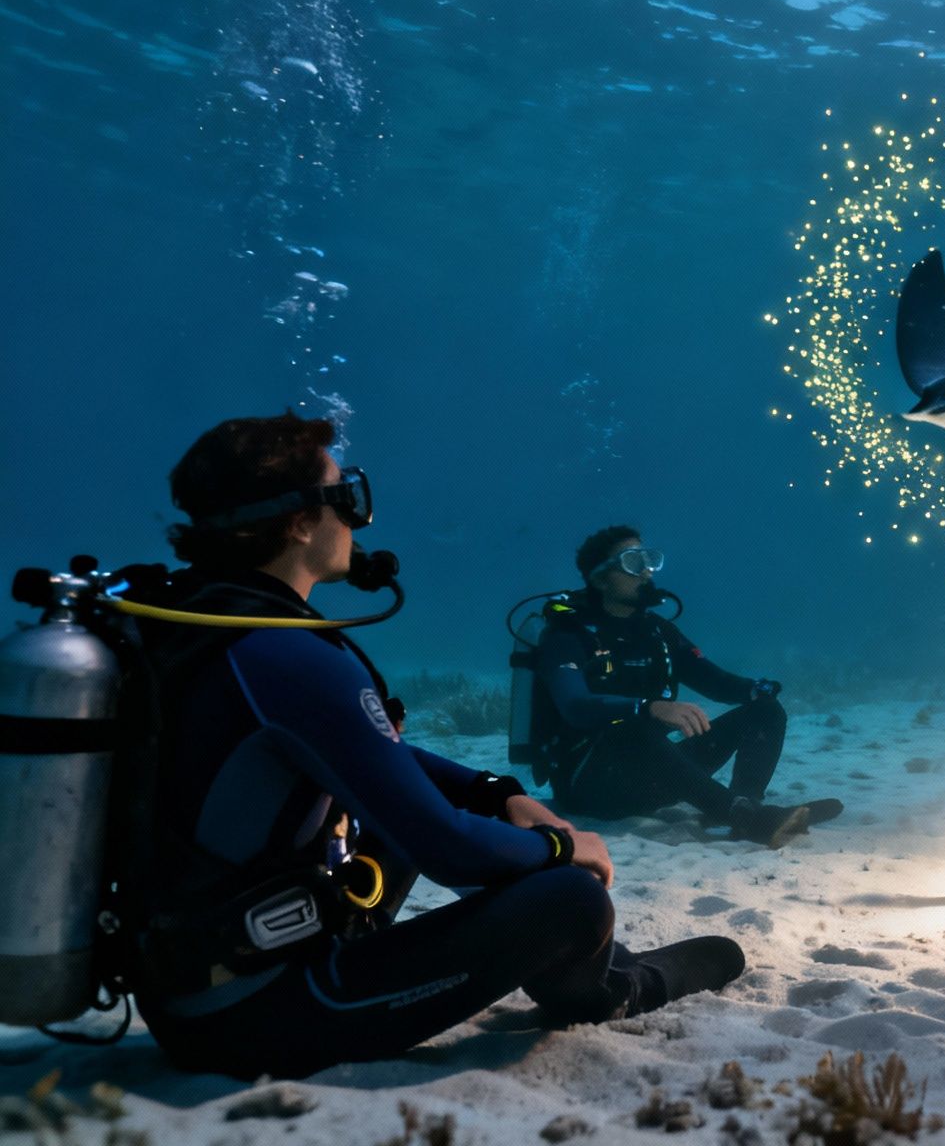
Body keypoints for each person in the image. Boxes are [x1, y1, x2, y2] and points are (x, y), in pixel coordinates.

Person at [130, 412, 746, 1079]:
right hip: (251, 1010)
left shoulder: (203, 623)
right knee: (571, 897)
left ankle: (595, 954)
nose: (358, 522)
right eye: (348, 498)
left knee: (443, 823)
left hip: (188, 986)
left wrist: (501, 794)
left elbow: (379, 764)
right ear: (302, 522)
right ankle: (616, 987)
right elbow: (447, 850)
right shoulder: (288, 654)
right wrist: (565, 846)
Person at [530, 525, 839, 846]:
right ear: (600, 578)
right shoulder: (567, 635)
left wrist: (753, 689)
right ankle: (744, 818)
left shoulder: (657, 632)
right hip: (589, 786)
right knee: (634, 728)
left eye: (649, 559)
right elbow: (574, 706)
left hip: (651, 774)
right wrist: (649, 708)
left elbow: (714, 681)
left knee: (765, 711)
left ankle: (745, 805)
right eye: (632, 562)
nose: (646, 571)